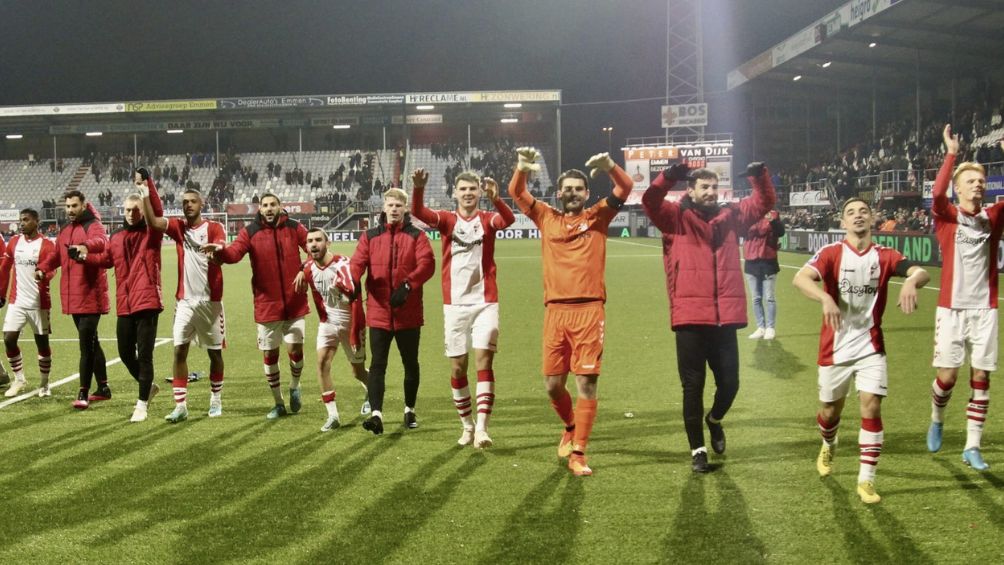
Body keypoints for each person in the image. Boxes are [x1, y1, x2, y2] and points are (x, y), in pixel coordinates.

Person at [793, 197, 929, 504]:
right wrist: (825, 299)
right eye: (851, 213)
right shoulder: (830, 253)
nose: (857, 216)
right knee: (830, 411)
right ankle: (829, 443)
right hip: (835, 347)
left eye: (863, 212)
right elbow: (800, 278)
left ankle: (866, 480)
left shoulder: (884, 255)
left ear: (872, 220)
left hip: (871, 346)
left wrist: (911, 281)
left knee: (871, 405)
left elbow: (920, 271)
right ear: (842, 223)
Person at [642, 162, 775, 472]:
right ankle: (697, 452)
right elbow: (650, 200)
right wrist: (668, 176)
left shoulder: (732, 216)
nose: (711, 192)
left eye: (714, 187)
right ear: (691, 190)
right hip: (689, 316)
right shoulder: (675, 217)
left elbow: (764, 202)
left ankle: (714, 420)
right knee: (693, 386)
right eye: (704, 187)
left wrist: (758, 176)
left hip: (724, 317)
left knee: (731, 383)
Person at [507, 147, 632, 476]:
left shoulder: (599, 216)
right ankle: (570, 425)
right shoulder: (546, 217)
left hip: (590, 311)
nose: (573, 193)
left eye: (579, 189)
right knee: (551, 385)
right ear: (559, 193)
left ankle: (579, 453)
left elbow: (626, 188)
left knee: (586, 384)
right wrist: (522, 167)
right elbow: (516, 192)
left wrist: (610, 167)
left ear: (586, 193)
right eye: (568, 189)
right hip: (555, 313)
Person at [411, 168, 515, 448]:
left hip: (485, 302)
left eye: (473, 189)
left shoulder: (486, 219)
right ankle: (467, 426)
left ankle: (482, 428)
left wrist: (497, 199)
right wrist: (418, 188)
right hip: (455, 305)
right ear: (455, 193)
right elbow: (419, 212)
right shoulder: (447, 220)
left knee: (484, 361)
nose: (468, 193)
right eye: (463, 189)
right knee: (458, 368)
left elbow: (508, 219)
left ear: (479, 193)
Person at [926, 124, 1004, 471]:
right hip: (951, 308)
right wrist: (952, 154)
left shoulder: (994, 217)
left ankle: (972, 445)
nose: (978, 184)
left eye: (981, 181)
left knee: (982, 377)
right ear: (959, 188)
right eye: (970, 181)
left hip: (985, 309)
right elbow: (937, 191)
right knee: (947, 378)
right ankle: (937, 418)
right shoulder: (947, 216)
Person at [206, 193, 309, 420]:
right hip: (267, 305)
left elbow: (313, 248)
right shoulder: (250, 232)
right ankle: (279, 403)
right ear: (260, 209)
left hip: (295, 301)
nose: (269, 208)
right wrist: (221, 251)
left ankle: (294, 386)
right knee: (270, 354)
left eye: (273, 204)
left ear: (280, 207)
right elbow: (234, 253)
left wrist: (305, 269)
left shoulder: (294, 227)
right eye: (265, 205)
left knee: (295, 351)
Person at [81, 169, 166, 421]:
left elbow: (157, 212)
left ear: (142, 210)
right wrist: (85, 257)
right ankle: (148, 387)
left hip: (148, 301)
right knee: (126, 353)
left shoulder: (152, 232)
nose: (131, 214)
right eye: (128, 210)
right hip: (125, 304)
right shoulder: (116, 236)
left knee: (146, 354)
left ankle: (141, 404)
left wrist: (146, 184)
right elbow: (107, 259)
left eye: (136, 209)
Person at [350, 187, 435, 435]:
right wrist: (354, 280)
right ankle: (376, 414)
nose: (394, 209)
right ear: (384, 207)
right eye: (390, 204)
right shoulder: (369, 236)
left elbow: (427, 263)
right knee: (378, 365)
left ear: (405, 208)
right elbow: (357, 263)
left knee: (410, 363)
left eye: (399, 205)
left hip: (408, 313)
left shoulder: (417, 236)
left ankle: (409, 409)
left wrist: (408, 284)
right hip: (378, 312)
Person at [35, 190, 111, 409]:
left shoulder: (92, 225)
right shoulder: (66, 230)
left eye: (74, 206)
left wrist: (85, 247)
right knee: (92, 342)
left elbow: (100, 241)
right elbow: (56, 256)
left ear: (83, 205)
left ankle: (83, 393)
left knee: (85, 346)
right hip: (73, 297)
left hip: (90, 295)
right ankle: (103, 388)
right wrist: (42, 269)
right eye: (67, 207)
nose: (70, 210)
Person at [162, 189, 228, 422]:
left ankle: (216, 400)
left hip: (210, 302)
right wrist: (144, 190)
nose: (188, 205)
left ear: (202, 204)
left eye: (193, 201)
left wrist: (217, 250)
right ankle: (181, 406)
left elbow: (221, 244)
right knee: (179, 350)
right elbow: (154, 220)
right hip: (185, 302)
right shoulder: (179, 228)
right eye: (185, 202)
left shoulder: (214, 227)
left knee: (214, 353)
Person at [301, 228, 369, 432]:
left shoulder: (343, 264)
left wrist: (342, 292)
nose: (314, 244)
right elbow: (307, 271)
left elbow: (355, 294)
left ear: (328, 243)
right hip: (328, 322)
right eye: (310, 241)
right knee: (322, 363)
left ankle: (372, 391)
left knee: (357, 372)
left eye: (318, 240)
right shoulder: (308, 269)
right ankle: (333, 416)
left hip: (350, 323)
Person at [0, 209, 55, 397]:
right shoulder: (14, 242)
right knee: (8, 338)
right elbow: (5, 268)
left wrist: (44, 274)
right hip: (17, 301)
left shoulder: (46, 245)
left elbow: (52, 269)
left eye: (26, 220)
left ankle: (44, 383)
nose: (22, 223)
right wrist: (1, 293)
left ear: (36, 222)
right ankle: (19, 379)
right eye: (20, 220)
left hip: (39, 303)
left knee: (42, 343)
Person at [744, 210, 785, 340]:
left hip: (768, 261)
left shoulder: (773, 214)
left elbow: (781, 232)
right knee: (756, 298)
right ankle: (761, 327)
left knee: (769, 297)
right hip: (751, 261)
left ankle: (770, 328)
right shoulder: (747, 215)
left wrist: (772, 221)